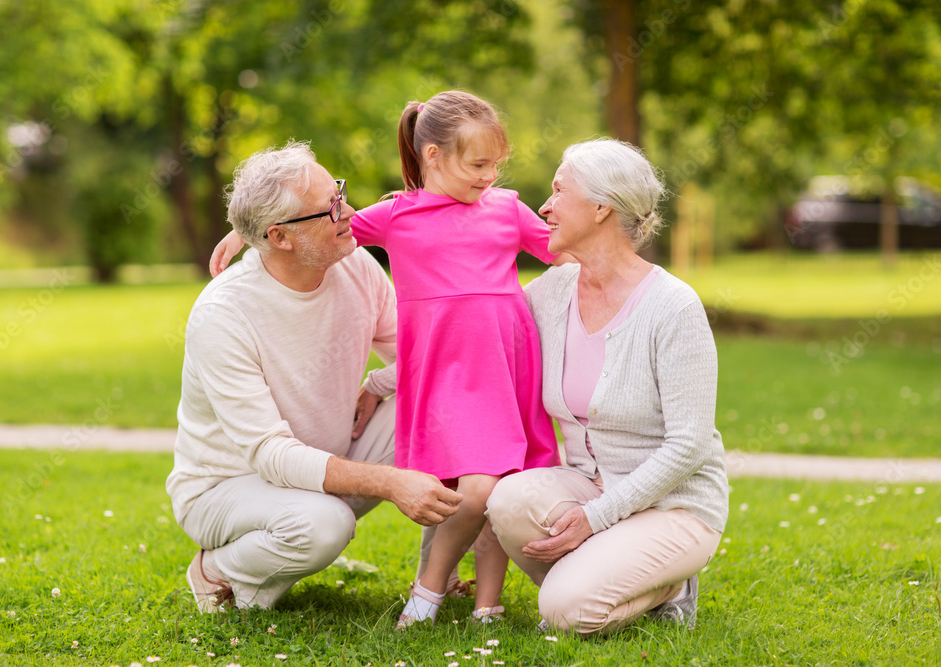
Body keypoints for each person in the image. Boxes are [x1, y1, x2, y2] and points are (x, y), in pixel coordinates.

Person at [208, 90, 563, 627]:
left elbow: (562, 247)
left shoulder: (507, 209)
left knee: (495, 487)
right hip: (449, 383)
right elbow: (312, 224)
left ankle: (485, 602)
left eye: (497, 164)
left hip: (505, 372)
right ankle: (430, 589)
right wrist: (247, 228)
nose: (490, 175)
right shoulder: (397, 217)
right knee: (474, 488)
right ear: (434, 156)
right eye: (478, 164)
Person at [166, 142, 462, 613]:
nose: (350, 212)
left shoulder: (356, 265)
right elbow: (270, 455)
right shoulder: (223, 315)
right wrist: (392, 482)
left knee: (448, 408)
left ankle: (437, 580)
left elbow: (423, 360)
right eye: (330, 208)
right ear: (280, 237)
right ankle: (216, 571)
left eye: (339, 193)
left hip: (327, 461)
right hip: (227, 489)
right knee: (325, 525)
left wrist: (378, 385)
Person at [485, 138, 729, 634]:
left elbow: (689, 444)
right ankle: (601, 578)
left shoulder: (673, 307)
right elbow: (475, 340)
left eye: (559, 191)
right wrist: (382, 381)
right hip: (588, 485)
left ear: (601, 208)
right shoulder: (551, 292)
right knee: (507, 500)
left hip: (675, 505)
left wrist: (597, 517)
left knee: (565, 612)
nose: (544, 207)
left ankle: (670, 587)